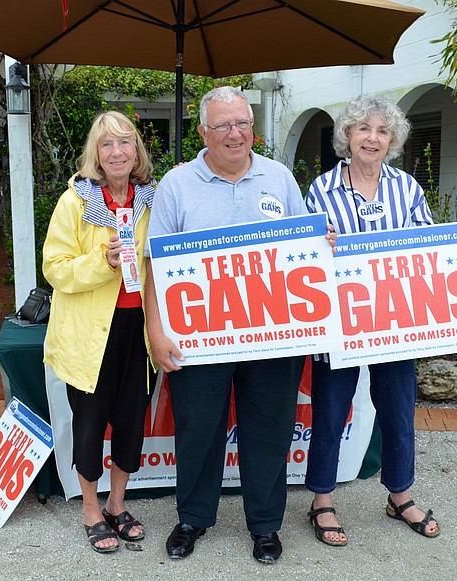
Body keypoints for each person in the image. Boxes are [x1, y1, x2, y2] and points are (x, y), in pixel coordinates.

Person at [144, 86, 334, 565]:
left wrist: (321, 244)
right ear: (203, 132)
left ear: (254, 129)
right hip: (198, 339)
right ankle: (192, 518)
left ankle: (266, 525)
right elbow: (153, 264)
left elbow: (303, 256)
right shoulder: (176, 184)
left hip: (273, 338)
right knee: (197, 430)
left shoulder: (280, 177)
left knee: (269, 430)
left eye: (242, 124)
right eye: (223, 125)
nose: (234, 134)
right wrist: (156, 330)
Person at [303, 94, 439, 546]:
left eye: (382, 131)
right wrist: (316, 244)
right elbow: (301, 259)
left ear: (393, 140)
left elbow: (432, 255)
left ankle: (399, 494)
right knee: (329, 412)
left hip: (394, 324)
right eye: (363, 129)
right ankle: (321, 500)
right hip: (338, 323)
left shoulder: (407, 188)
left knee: (399, 411)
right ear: (347, 135)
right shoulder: (321, 190)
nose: (372, 138)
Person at [42, 111, 156, 554]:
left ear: (136, 151)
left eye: (125, 143)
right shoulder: (75, 202)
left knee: (131, 423)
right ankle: (90, 508)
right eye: (106, 144)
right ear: (95, 153)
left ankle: (116, 503)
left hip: (139, 329)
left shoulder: (151, 199)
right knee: (89, 427)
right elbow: (54, 268)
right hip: (91, 336)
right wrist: (102, 262)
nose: (117, 152)